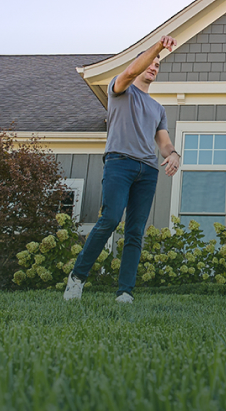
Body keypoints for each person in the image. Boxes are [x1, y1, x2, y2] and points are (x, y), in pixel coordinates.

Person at [64, 36, 182, 304]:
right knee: (109, 219)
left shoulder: (157, 108)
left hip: (147, 171)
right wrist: (158, 47)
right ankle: (77, 278)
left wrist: (174, 154)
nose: (154, 66)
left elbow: (163, 143)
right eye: (150, 62)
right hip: (119, 163)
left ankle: (125, 292)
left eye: (158, 65)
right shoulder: (120, 89)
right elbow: (130, 71)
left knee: (135, 232)